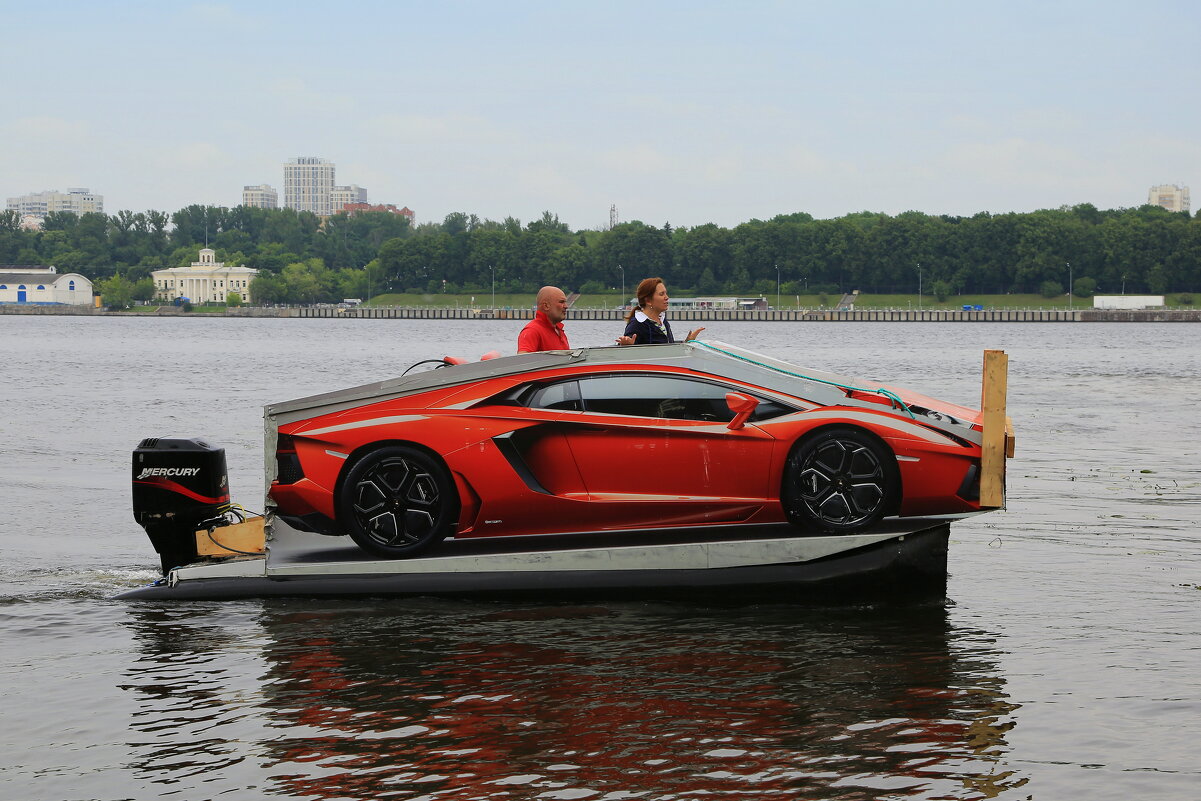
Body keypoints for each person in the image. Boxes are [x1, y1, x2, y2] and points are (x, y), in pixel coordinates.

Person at [622, 277, 705, 344]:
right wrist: (626, 345)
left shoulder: (663, 322)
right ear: (648, 301)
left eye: (666, 293)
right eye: (661, 294)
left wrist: (687, 342)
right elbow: (625, 355)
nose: (667, 297)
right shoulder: (636, 324)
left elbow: (669, 352)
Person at [517, 286, 572, 352]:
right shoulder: (532, 331)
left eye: (565, 302)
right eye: (561, 302)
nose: (566, 306)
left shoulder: (558, 330)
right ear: (546, 306)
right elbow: (523, 360)